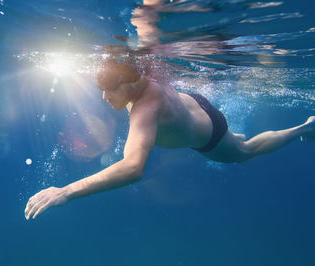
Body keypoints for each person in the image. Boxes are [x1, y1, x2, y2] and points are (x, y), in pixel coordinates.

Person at [25, 59, 315, 220]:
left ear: (127, 81)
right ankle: (233, 134)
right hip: (195, 105)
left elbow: (133, 168)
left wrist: (66, 191)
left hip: (208, 134)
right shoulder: (137, 74)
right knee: (232, 139)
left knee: (245, 151)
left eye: (109, 89)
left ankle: (305, 127)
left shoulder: (145, 109)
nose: (103, 96)